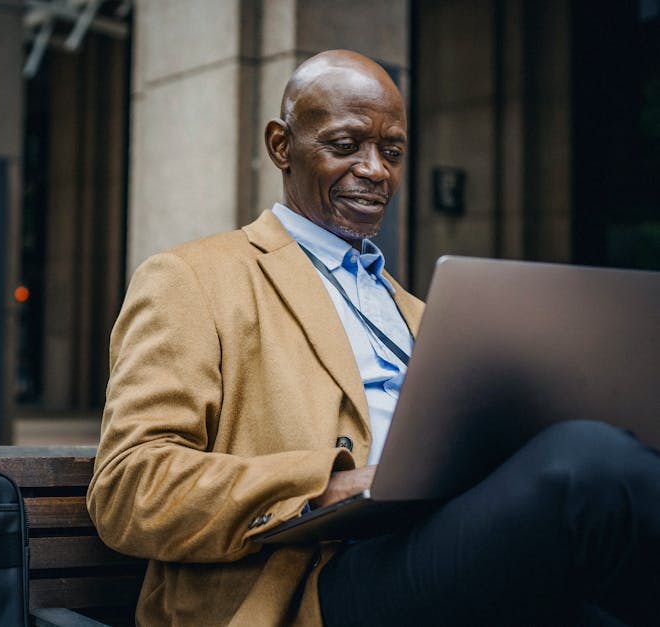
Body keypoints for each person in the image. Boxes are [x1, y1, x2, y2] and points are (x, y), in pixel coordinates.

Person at [86, 50, 660, 626]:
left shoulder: (422, 311)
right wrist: (329, 486)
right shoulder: (195, 278)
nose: (376, 170)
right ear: (281, 147)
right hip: (314, 586)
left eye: (392, 152)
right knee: (584, 466)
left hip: (446, 546)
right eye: (345, 145)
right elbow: (130, 487)